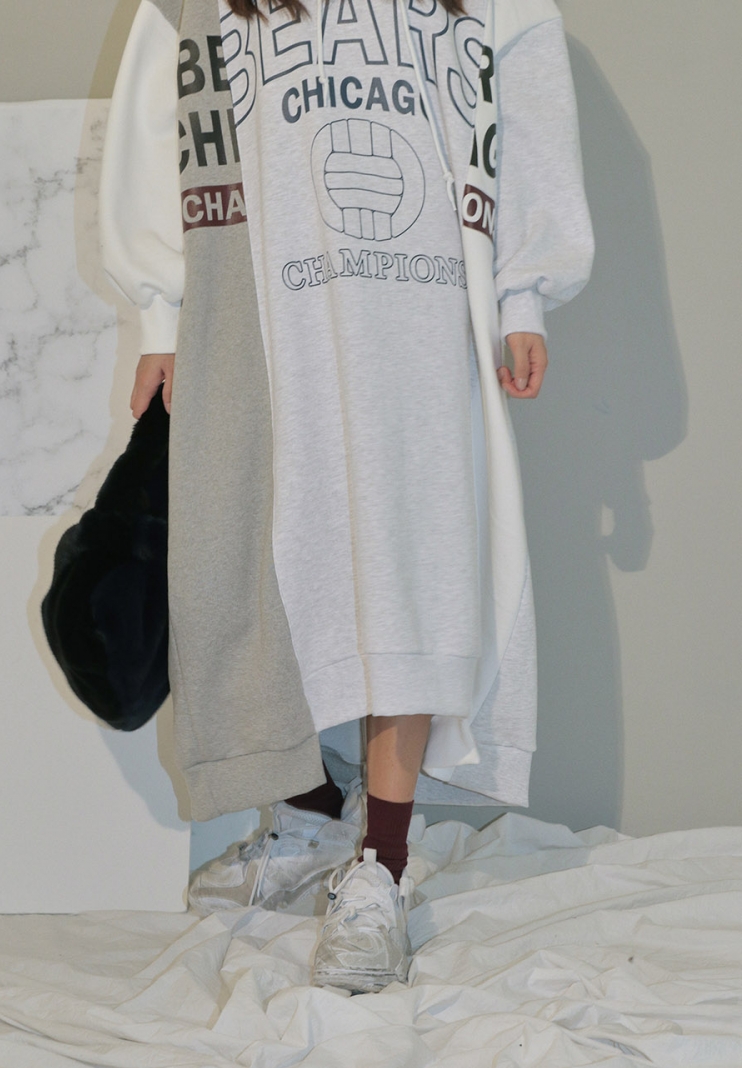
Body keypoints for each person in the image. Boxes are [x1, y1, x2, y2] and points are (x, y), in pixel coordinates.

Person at [99, 0, 593, 993]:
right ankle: (315, 810)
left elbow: (527, 100)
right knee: (259, 567)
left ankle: (384, 863)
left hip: (420, 316)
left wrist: (523, 291)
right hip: (263, 313)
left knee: (408, 575)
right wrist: (161, 310)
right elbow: (163, 115)